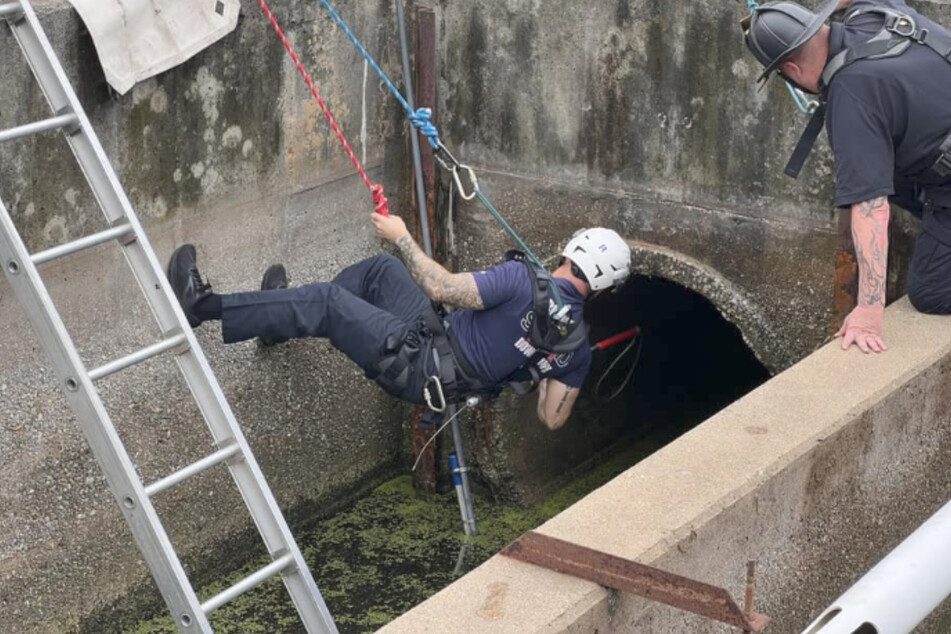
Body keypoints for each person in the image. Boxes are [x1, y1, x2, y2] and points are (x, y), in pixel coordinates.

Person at [166, 213, 631, 430]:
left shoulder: (521, 279)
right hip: (436, 347)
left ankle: (202, 307)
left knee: (330, 302)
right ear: (606, 287)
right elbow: (551, 419)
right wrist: (550, 367)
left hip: (418, 364)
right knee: (380, 272)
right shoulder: (575, 351)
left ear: (572, 250)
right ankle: (275, 320)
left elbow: (441, 288)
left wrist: (403, 237)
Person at [742, 0, 951, 353]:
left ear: (791, 68)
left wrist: (869, 310)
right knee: (880, 168)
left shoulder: (850, 94)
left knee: (930, 291)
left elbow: (871, 207)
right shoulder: (871, 14)